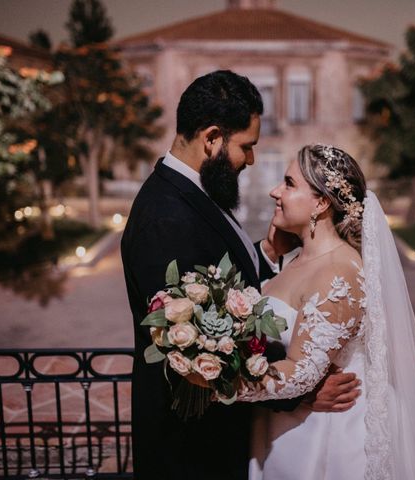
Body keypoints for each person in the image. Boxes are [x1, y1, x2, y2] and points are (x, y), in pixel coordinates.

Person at [121, 71, 360, 480]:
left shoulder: (194, 193)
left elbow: (221, 286)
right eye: (246, 147)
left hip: (228, 436)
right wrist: (300, 390)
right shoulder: (166, 218)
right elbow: (202, 348)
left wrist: (265, 253)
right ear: (212, 138)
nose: (251, 160)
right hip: (191, 448)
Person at [197, 144, 415, 479]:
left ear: (320, 202)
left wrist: (217, 385)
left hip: (325, 437)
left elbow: (301, 373)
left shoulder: (338, 271)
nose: (275, 192)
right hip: (282, 429)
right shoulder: (297, 259)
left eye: (288, 184)